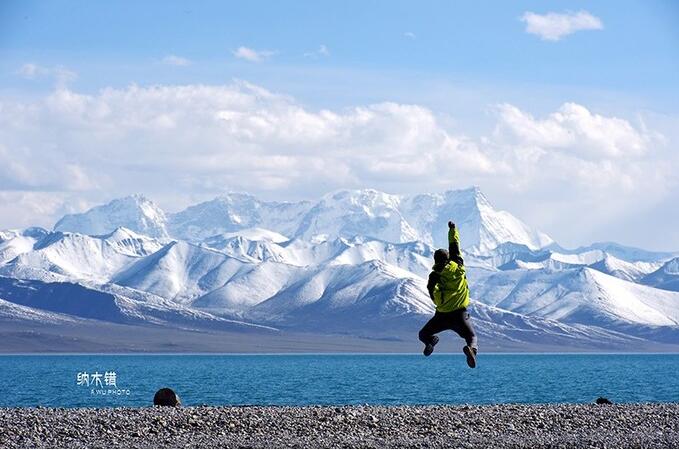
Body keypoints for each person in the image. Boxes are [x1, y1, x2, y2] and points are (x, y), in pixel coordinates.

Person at [418, 220, 478, 368]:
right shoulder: (458, 266)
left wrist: (437, 301)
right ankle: (471, 350)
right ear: (448, 258)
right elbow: (454, 245)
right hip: (460, 315)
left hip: (442, 315)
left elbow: (430, 289)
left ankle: (430, 341)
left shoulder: (434, 275)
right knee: (471, 337)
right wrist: (452, 229)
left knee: (423, 334)